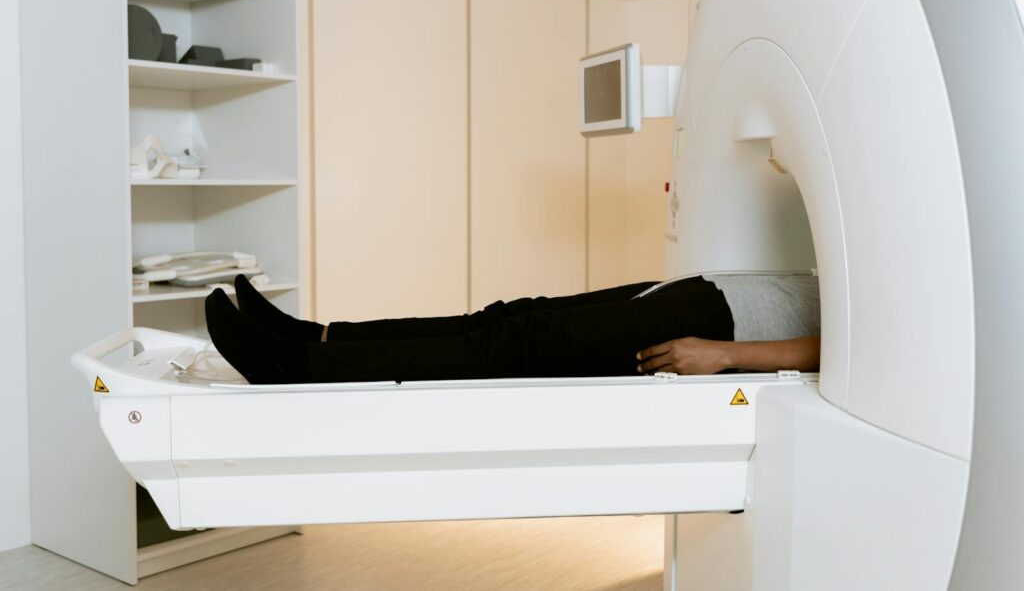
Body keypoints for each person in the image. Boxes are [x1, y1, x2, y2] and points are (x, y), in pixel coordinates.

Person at [205, 272, 821, 385]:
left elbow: (858, 343)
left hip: (725, 324)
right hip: (710, 290)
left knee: (508, 347)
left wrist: (729, 356)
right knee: (508, 318)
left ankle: (295, 367)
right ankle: (313, 337)